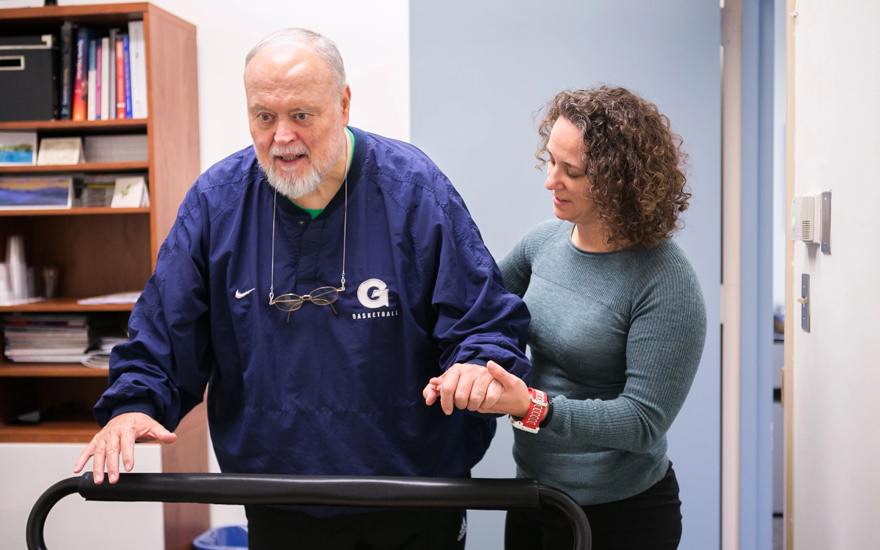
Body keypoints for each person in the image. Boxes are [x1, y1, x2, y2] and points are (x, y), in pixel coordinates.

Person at [74, 28, 531, 550]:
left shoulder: (414, 192)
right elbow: (164, 332)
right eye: (264, 117)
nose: (282, 137)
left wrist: (476, 366)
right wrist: (134, 405)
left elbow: (482, 320)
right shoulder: (216, 204)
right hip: (278, 496)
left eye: (302, 116)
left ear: (343, 103)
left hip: (413, 494)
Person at [425, 86, 707, 549]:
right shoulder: (542, 245)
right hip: (537, 497)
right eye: (550, 161)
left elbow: (642, 422)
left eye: (571, 171)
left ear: (620, 181)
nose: (550, 180)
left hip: (622, 515)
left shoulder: (666, 281)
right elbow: (476, 310)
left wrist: (533, 407)